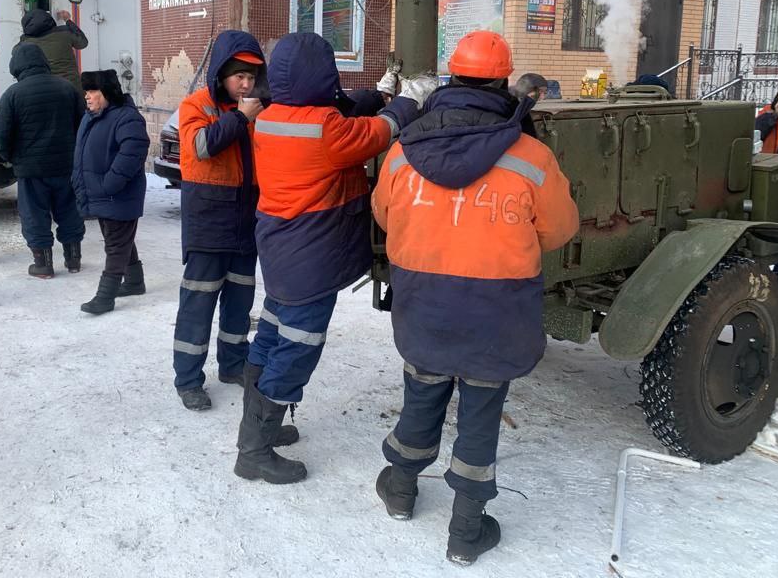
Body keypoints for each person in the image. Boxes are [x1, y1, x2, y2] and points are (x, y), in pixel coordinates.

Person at [371, 31, 580, 566]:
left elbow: (383, 215)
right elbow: (558, 230)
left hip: (424, 302)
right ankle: (466, 530)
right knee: (481, 412)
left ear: (452, 77)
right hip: (497, 308)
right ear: (503, 83)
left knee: (422, 391)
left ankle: (399, 489)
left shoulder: (403, 150)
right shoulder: (531, 156)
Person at [233, 31, 438, 485]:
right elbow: (376, 131)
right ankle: (255, 451)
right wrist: (408, 100)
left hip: (282, 250)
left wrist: (380, 93)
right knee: (297, 348)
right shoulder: (327, 131)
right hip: (310, 257)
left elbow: (340, 109)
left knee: (270, 335)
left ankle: (255, 430)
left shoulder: (270, 117)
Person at [173, 30, 268, 412]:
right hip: (209, 221)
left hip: (247, 220)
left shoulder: (261, 108)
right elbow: (201, 146)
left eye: (251, 77)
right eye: (238, 76)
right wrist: (242, 118)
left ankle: (232, 365)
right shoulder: (195, 105)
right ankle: (188, 379)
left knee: (239, 304)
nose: (245, 84)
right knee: (198, 304)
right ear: (221, 75)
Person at [0, 43, 86, 278]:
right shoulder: (67, 88)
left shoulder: (12, 95)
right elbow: (83, 125)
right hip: (66, 166)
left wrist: (11, 158)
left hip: (31, 170)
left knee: (34, 215)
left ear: (16, 66)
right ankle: (73, 259)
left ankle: (43, 265)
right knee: (69, 210)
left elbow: (1, 134)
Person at [72, 69, 150, 314]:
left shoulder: (127, 118)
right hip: (102, 193)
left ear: (107, 92)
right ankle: (135, 282)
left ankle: (105, 297)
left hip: (119, 194)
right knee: (119, 238)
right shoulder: (91, 117)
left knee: (116, 244)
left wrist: (110, 185)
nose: (88, 96)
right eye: (86, 91)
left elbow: (133, 153)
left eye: (93, 91)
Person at [17, 9, 88, 92]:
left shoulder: (26, 42)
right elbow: (83, 43)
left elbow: (15, 53)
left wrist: (25, 36)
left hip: (46, 89)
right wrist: (68, 20)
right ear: (48, 19)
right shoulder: (64, 32)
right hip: (72, 86)